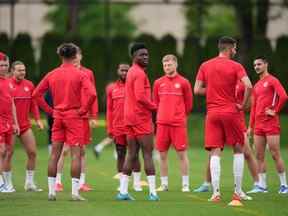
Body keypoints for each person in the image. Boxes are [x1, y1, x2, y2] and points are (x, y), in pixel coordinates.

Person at [32, 43, 96, 201]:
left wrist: (50, 111)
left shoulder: (52, 74)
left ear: (60, 56)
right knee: (76, 155)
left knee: (54, 154)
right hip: (74, 116)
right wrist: (83, 110)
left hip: (58, 116)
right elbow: (93, 94)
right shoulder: (81, 74)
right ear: (75, 56)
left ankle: (51, 192)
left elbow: (36, 94)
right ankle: (74, 193)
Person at [194, 36, 253, 204]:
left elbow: (197, 90)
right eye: (235, 48)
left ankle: (216, 194)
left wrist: (212, 90)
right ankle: (238, 192)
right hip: (231, 111)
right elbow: (249, 85)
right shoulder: (236, 66)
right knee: (238, 150)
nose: (235, 51)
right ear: (229, 48)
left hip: (212, 114)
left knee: (215, 152)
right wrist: (243, 104)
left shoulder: (205, 65)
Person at [193, 80, 260, 195]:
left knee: (247, 152)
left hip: (236, 120)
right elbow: (203, 92)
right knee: (213, 153)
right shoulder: (220, 82)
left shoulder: (242, 84)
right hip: (219, 119)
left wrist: (242, 106)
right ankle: (207, 183)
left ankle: (258, 183)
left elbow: (251, 103)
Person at [116, 42, 159, 201]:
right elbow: (141, 97)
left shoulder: (132, 72)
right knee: (148, 154)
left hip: (129, 118)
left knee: (131, 155)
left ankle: (123, 191)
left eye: (147, 54)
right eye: (142, 55)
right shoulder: (139, 73)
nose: (146, 57)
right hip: (141, 118)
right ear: (134, 57)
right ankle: (153, 193)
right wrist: (155, 107)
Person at [55, 46, 98, 192]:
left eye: (78, 54)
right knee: (64, 150)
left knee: (82, 150)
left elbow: (93, 94)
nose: (76, 57)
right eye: (74, 55)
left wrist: (93, 115)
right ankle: (58, 182)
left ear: (80, 56)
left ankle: (81, 183)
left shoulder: (88, 73)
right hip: (68, 116)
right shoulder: (63, 72)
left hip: (83, 116)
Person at [153, 54, 193, 192]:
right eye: (164, 65)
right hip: (162, 124)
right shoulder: (158, 82)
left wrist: (179, 116)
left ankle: (185, 184)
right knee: (162, 155)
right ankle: (164, 184)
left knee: (182, 155)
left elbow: (188, 105)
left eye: (169, 64)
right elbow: (156, 103)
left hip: (178, 125)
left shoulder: (184, 82)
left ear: (176, 65)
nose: (167, 67)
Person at [248, 56, 288, 194]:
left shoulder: (272, 80)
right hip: (258, 125)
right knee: (259, 155)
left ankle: (284, 186)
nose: (257, 67)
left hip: (271, 124)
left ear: (266, 64)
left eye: (259, 64)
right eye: (255, 65)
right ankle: (262, 186)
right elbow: (253, 107)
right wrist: (250, 127)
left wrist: (275, 111)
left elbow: (284, 96)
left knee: (275, 154)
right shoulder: (257, 85)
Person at [3, 61, 44, 193]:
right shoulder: (6, 85)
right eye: (19, 70)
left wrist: (38, 120)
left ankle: (29, 183)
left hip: (25, 125)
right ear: (12, 71)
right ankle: (7, 184)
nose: (22, 72)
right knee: (8, 154)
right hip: (10, 126)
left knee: (32, 152)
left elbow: (34, 104)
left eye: (24, 70)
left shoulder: (29, 85)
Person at [107, 63, 144, 191]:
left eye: (126, 71)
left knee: (134, 154)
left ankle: (137, 183)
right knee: (120, 154)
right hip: (117, 127)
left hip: (132, 126)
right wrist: (110, 127)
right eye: (122, 70)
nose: (124, 73)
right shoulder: (112, 88)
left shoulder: (134, 86)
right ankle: (123, 183)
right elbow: (109, 110)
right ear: (118, 71)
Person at [0, 52, 20, 192]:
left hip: (8, 121)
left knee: (7, 151)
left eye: (6, 65)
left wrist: (15, 123)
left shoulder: (8, 81)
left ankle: (6, 183)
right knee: (1, 150)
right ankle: (1, 182)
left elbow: (11, 102)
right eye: (1, 65)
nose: (4, 67)